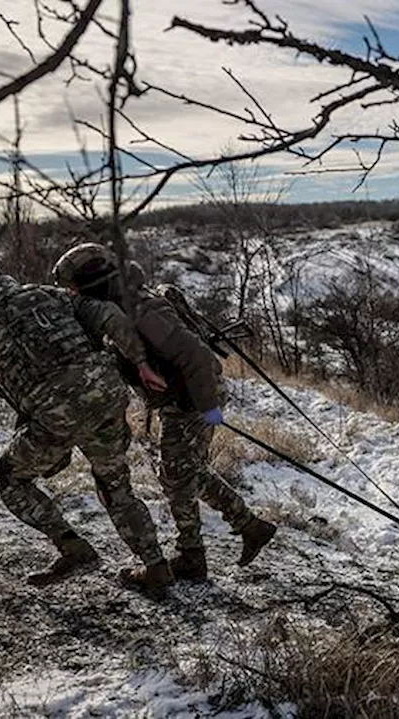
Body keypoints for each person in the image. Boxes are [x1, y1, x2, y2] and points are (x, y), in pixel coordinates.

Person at [0, 258, 173, 597]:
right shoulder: (50, 295)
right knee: (115, 484)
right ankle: (156, 566)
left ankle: (72, 547)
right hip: (105, 395)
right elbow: (108, 316)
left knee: (8, 478)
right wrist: (140, 362)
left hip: (55, 414)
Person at [53, 243, 277, 583]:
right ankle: (247, 528)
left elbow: (198, 358)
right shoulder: (120, 305)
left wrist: (206, 408)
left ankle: (194, 556)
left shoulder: (143, 309)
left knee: (177, 476)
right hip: (183, 399)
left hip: (192, 399)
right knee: (184, 473)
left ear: (90, 281)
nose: (71, 294)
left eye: (73, 286)